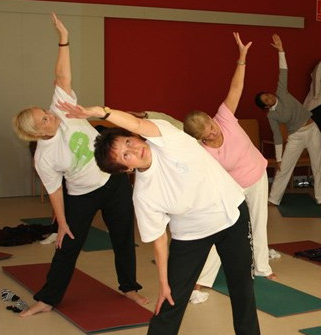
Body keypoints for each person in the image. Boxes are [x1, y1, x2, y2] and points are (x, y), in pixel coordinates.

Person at [56, 75, 260, 335]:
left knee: (242, 288)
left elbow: (137, 123)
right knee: (170, 300)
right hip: (192, 234)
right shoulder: (144, 194)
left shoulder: (167, 137)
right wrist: (164, 282)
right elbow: (160, 239)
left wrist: (101, 112)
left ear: (137, 138)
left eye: (129, 143)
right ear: (126, 168)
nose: (133, 151)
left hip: (232, 215)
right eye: (125, 156)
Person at [11, 13, 147, 317]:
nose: (50, 115)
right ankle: (47, 299)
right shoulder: (44, 157)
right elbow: (55, 189)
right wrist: (62, 222)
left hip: (112, 183)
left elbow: (61, 78)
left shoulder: (61, 107)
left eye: (44, 111)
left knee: (123, 235)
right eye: (44, 119)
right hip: (81, 195)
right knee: (67, 245)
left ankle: (130, 288)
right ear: (36, 133)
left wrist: (64, 39)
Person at [183, 33, 276, 290]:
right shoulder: (201, 152)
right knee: (219, 227)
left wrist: (242, 58)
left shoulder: (224, 117)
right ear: (199, 138)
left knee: (259, 222)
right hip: (232, 188)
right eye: (207, 134)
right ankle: (203, 280)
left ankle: (262, 267)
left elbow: (236, 87)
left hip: (256, 176)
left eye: (211, 126)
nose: (214, 132)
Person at [254, 34, 321, 208]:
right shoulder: (271, 116)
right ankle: (273, 199)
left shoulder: (281, 92)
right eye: (266, 100)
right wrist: (278, 159)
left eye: (268, 95)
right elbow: (277, 138)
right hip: (295, 136)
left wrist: (281, 50)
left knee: (318, 164)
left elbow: (283, 71)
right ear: (265, 107)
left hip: (312, 130)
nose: (270, 98)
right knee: (284, 168)